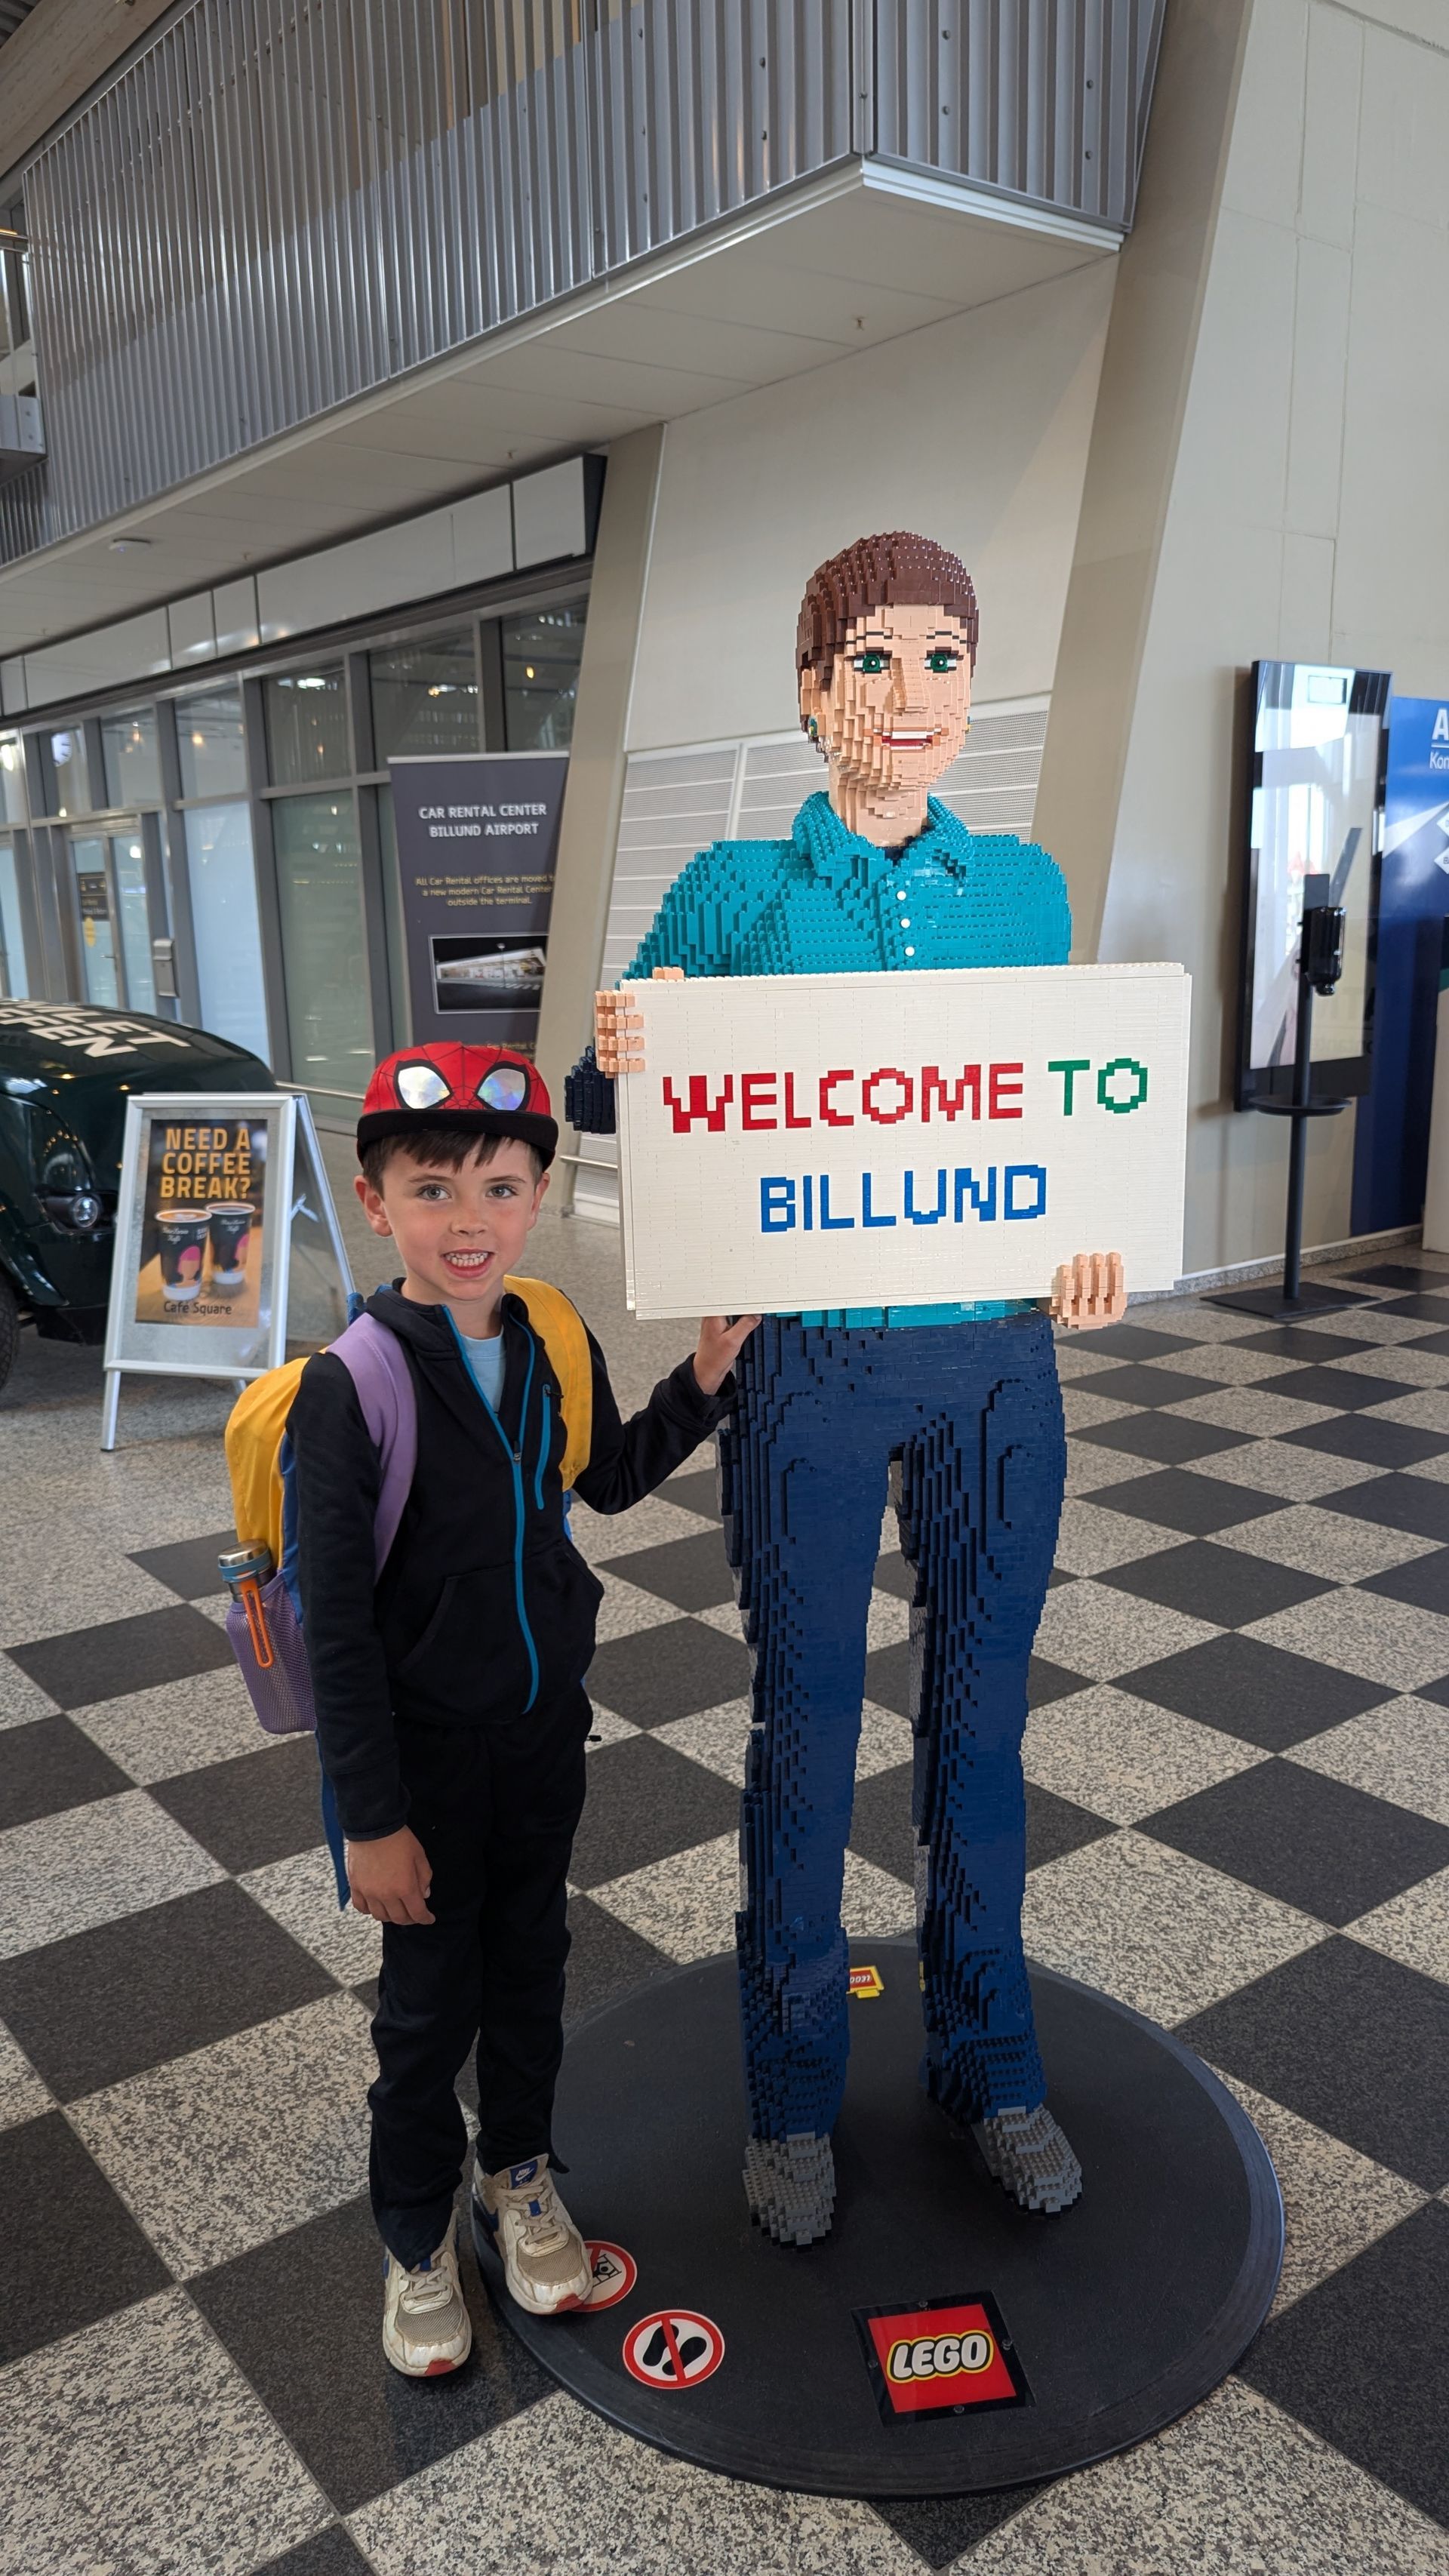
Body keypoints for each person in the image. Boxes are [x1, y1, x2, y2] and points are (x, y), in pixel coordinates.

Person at [568, 531, 1126, 2248]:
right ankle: (794, 2093)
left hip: (992, 1365)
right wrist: (617, 1059)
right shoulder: (733, 893)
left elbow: (1058, 1107)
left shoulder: (1022, 886)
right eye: (872, 660)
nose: (911, 696)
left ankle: (990, 2061)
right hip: (806, 1362)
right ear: (814, 691)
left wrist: (1093, 1225)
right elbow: (616, 1118)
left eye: (944, 659)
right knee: (805, 1728)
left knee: (980, 1728)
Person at [288, 1039, 755, 2375]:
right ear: (376, 1203)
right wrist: (370, 1821)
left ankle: (521, 2174)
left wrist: (703, 1378)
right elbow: (337, 1631)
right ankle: (413, 2234)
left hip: (544, 1733)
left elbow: (602, 1481)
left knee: (533, 1967)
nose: (470, 1219)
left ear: (538, 1196)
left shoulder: (550, 1335)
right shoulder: (352, 1385)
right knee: (429, 2005)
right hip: (422, 1760)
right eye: (433, 1189)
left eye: (500, 1185)